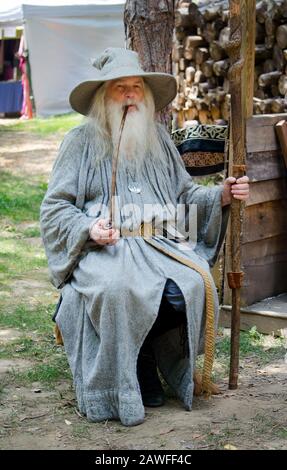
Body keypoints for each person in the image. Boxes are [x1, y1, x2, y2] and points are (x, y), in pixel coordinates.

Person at [40, 48, 249, 427]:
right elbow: (55, 207)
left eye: (136, 86)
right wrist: (89, 229)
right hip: (108, 248)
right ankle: (126, 376)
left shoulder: (159, 139)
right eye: (121, 87)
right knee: (118, 289)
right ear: (103, 95)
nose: (131, 94)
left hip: (163, 245)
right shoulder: (79, 142)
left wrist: (220, 194)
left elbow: (185, 196)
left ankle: (147, 352)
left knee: (192, 287)